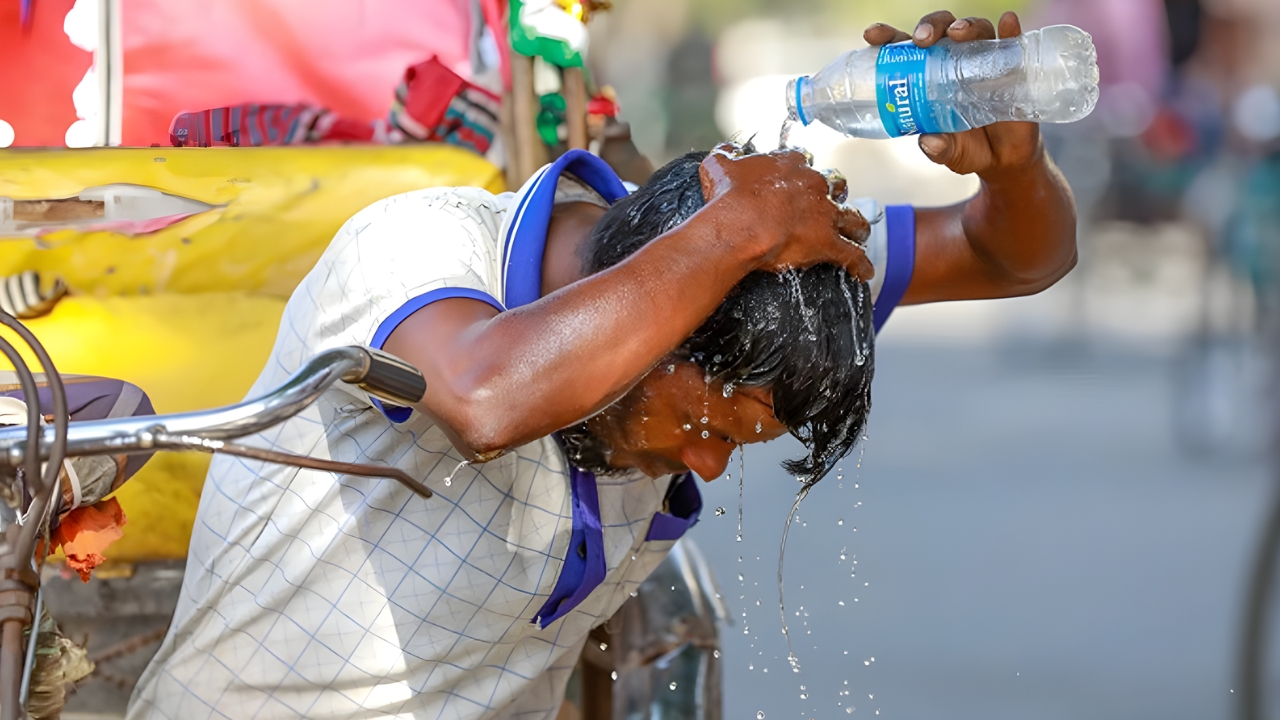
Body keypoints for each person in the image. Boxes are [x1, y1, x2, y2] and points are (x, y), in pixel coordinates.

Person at [129, 10, 1076, 720]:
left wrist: (1011, 167)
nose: (709, 466)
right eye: (713, 427)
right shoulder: (417, 251)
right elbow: (486, 398)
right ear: (656, 320)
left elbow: (1018, 257)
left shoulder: (755, 291)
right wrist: (733, 231)